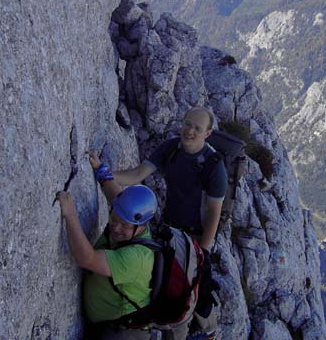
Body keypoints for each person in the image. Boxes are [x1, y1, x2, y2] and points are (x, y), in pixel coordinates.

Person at [92, 107, 228, 340]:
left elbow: (214, 214)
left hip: (196, 239)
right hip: (169, 230)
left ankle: (202, 332)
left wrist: (203, 252)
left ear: (207, 133)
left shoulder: (214, 167)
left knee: (189, 292)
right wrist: (103, 172)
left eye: (197, 128)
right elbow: (137, 174)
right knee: (165, 285)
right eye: (187, 124)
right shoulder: (171, 149)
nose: (190, 131)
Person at [56, 184, 157, 340]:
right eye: (113, 219)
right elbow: (115, 197)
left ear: (142, 226)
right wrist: (100, 170)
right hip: (106, 323)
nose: (116, 228)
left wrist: (69, 213)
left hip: (123, 330)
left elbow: (87, 258)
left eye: (124, 225)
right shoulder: (126, 217)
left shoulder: (136, 258)